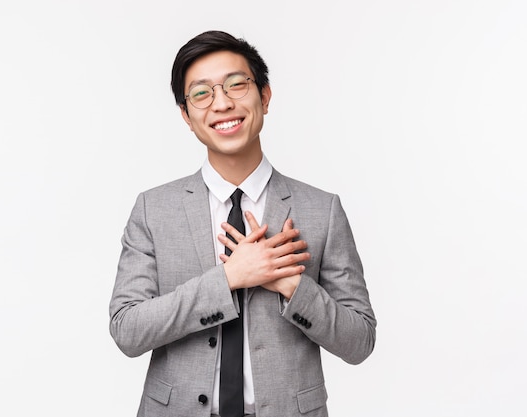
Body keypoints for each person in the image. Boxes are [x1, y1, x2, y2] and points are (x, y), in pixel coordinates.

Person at [109, 30, 376, 417]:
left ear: (264, 97)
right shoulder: (153, 209)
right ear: (186, 115)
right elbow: (128, 331)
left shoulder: (322, 210)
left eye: (236, 85)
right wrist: (229, 278)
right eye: (201, 93)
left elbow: (360, 341)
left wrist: (291, 286)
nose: (222, 103)